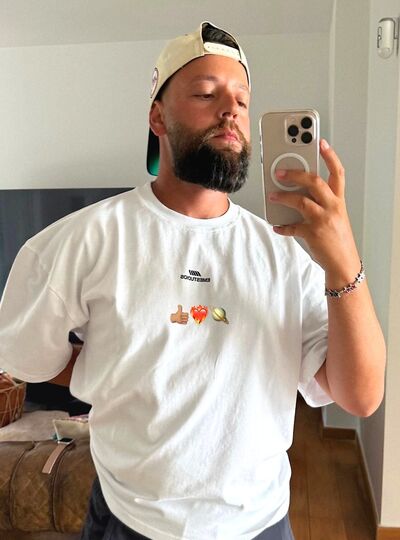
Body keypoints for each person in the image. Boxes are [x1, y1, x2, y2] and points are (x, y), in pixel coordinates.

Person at [0, 21, 386, 540]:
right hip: (129, 520)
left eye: (242, 100)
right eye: (206, 93)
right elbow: (28, 358)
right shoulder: (81, 242)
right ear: (157, 115)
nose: (230, 110)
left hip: (259, 524)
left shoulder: (284, 254)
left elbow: (360, 397)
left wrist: (344, 261)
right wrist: (110, 367)